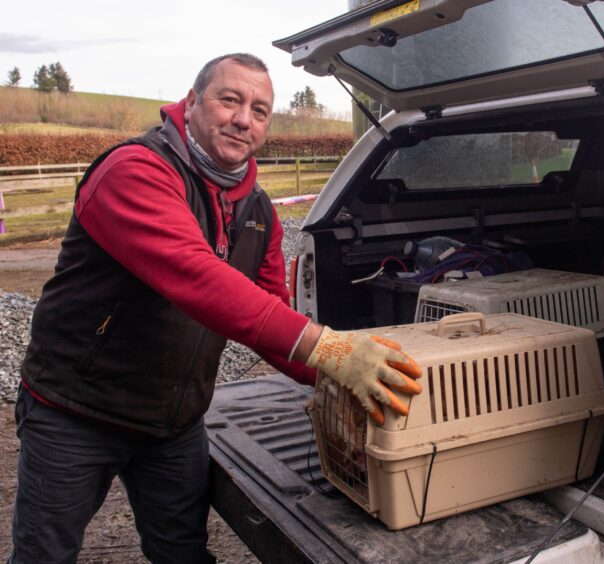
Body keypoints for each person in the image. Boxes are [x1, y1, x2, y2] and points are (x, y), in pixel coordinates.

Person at [8, 53, 421, 564]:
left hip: (173, 423)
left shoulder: (259, 211)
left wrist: (341, 385)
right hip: (76, 412)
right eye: (230, 100)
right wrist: (332, 349)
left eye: (260, 110)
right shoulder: (134, 171)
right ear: (193, 101)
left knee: (183, 553)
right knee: (43, 555)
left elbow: (267, 312)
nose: (244, 118)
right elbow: (199, 278)